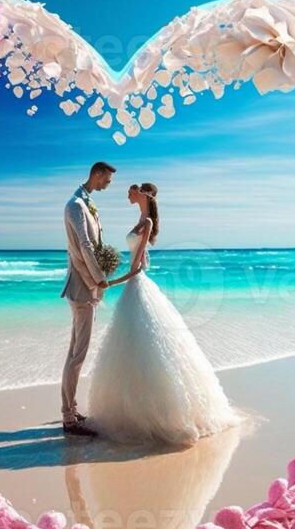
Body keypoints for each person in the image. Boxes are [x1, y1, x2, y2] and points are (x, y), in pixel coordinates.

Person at [86, 182, 243, 446]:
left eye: (132, 190)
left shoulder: (146, 222)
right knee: (133, 350)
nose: (128, 193)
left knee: (146, 348)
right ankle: (130, 410)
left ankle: (153, 414)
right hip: (135, 286)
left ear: (143, 195)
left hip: (137, 284)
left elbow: (137, 266)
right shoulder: (141, 219)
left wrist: (113, 282)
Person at [60, 161, 116, 435]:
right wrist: (99, 278)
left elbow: (93, 244)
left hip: (85, 287)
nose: (108, 184)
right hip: (82, 288)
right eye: (107, 179)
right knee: (78, 355)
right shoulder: (75, 205)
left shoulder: (86, 203)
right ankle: (69, 419)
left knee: (75, 353)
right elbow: (84, 245)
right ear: (97, 174)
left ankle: (70, 411)